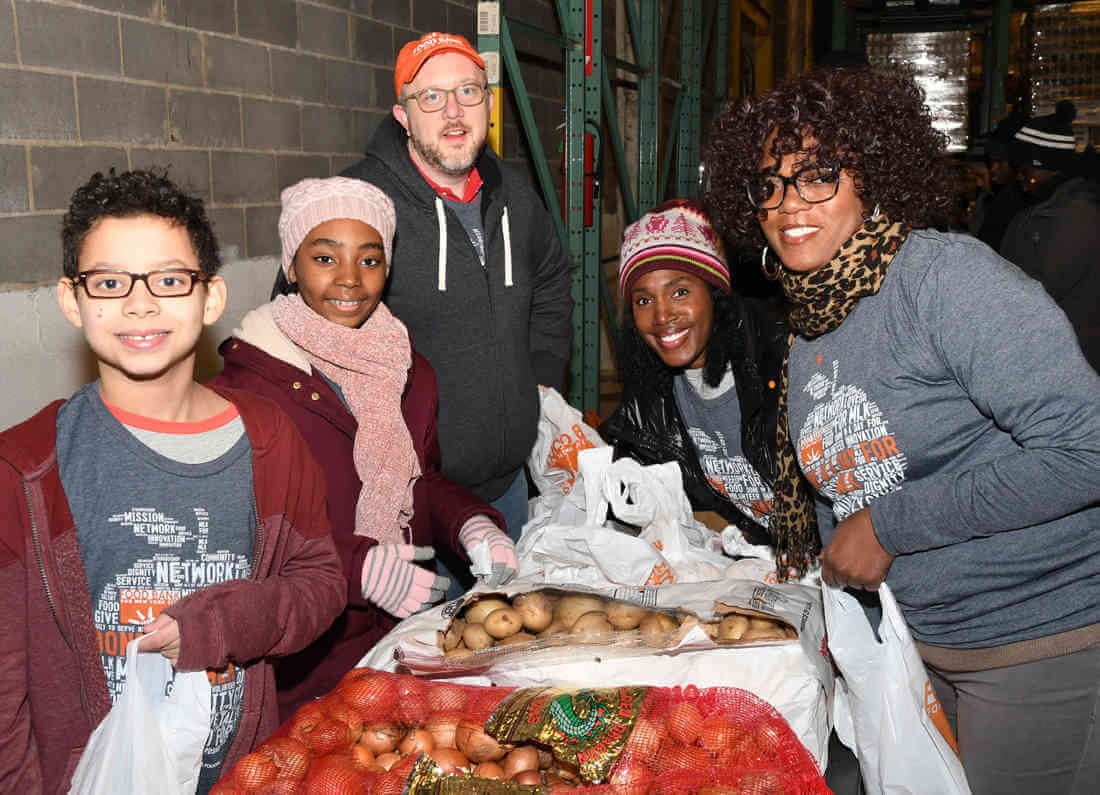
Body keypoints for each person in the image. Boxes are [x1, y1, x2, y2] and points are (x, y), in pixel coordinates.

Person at [705, 67, 1100, 793]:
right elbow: (847, 484)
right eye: (769, 183)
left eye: (818, 176)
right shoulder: (813, 315)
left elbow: (1086, 448)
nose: (788, 203)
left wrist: (890, 526)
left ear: (874, 176)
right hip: (920, 646)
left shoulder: (943, 281)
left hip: (1033, 641)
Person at [0, 170, 346, 793]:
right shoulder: (24, 469)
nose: (140, 303)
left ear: (210, 298)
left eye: (168, 279)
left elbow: (320, 584)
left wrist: (226, 623)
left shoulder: (268, 440)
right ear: (71, 300)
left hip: (240, 773)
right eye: (108, 282)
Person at [211, 177, 517, 720]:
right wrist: (356, 569)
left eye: (370, 260)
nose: (350, 279)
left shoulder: (407, 367)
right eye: (325, 257)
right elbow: (240, 535)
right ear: (292, 266)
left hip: (398, 643)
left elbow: (420, 479)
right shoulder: (248, 389)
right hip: (303, 666)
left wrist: (469, 522)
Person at [339, 32, 575, 570]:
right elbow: (303, 325)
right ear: (402, 114)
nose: (453, 111)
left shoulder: (516, 196)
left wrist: (537, 374)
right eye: (431, 97)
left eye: (469, 91)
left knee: (508, 641)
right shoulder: (360, 203)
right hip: (409, 506)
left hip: (508, 491)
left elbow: (553, 278)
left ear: (489, 103)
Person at [599, 200, 785, 544]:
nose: (662, 316)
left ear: (715, 293)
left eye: (680, 292)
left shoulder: (781, 363)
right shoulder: (651, 395)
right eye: (643, 300)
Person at [1000, 100, 1100, 373]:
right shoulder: (1044, 207)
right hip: (1054, 356)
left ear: (1042, 164)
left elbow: (1040, 288)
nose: (1018, 175)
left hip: (1073, 363)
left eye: (1024, 167)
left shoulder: (1076, 214)